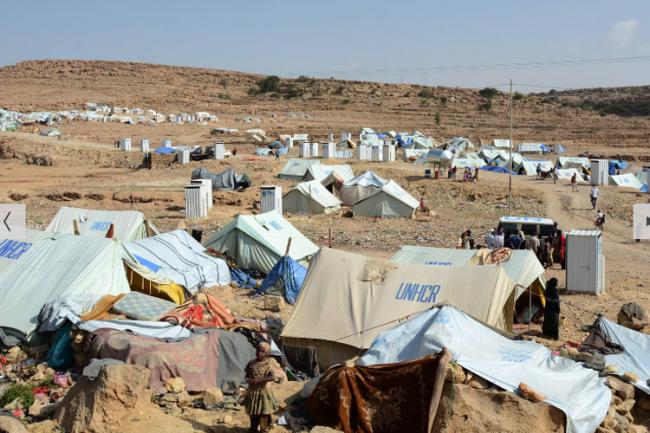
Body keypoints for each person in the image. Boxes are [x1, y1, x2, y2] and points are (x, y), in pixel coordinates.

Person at [244, 342, 286, 433]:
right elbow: (247, 375)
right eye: (258, 350)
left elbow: (272, 377)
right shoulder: (251, 363)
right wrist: (249, 380)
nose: (259, 353)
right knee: (253, 412)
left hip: (264, 392)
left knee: (264, 412)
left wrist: (260, 380)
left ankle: (264, 429)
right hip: (253, 392)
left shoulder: (268, 364)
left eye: (262, 351)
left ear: (266, 353)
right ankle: (253, 428)